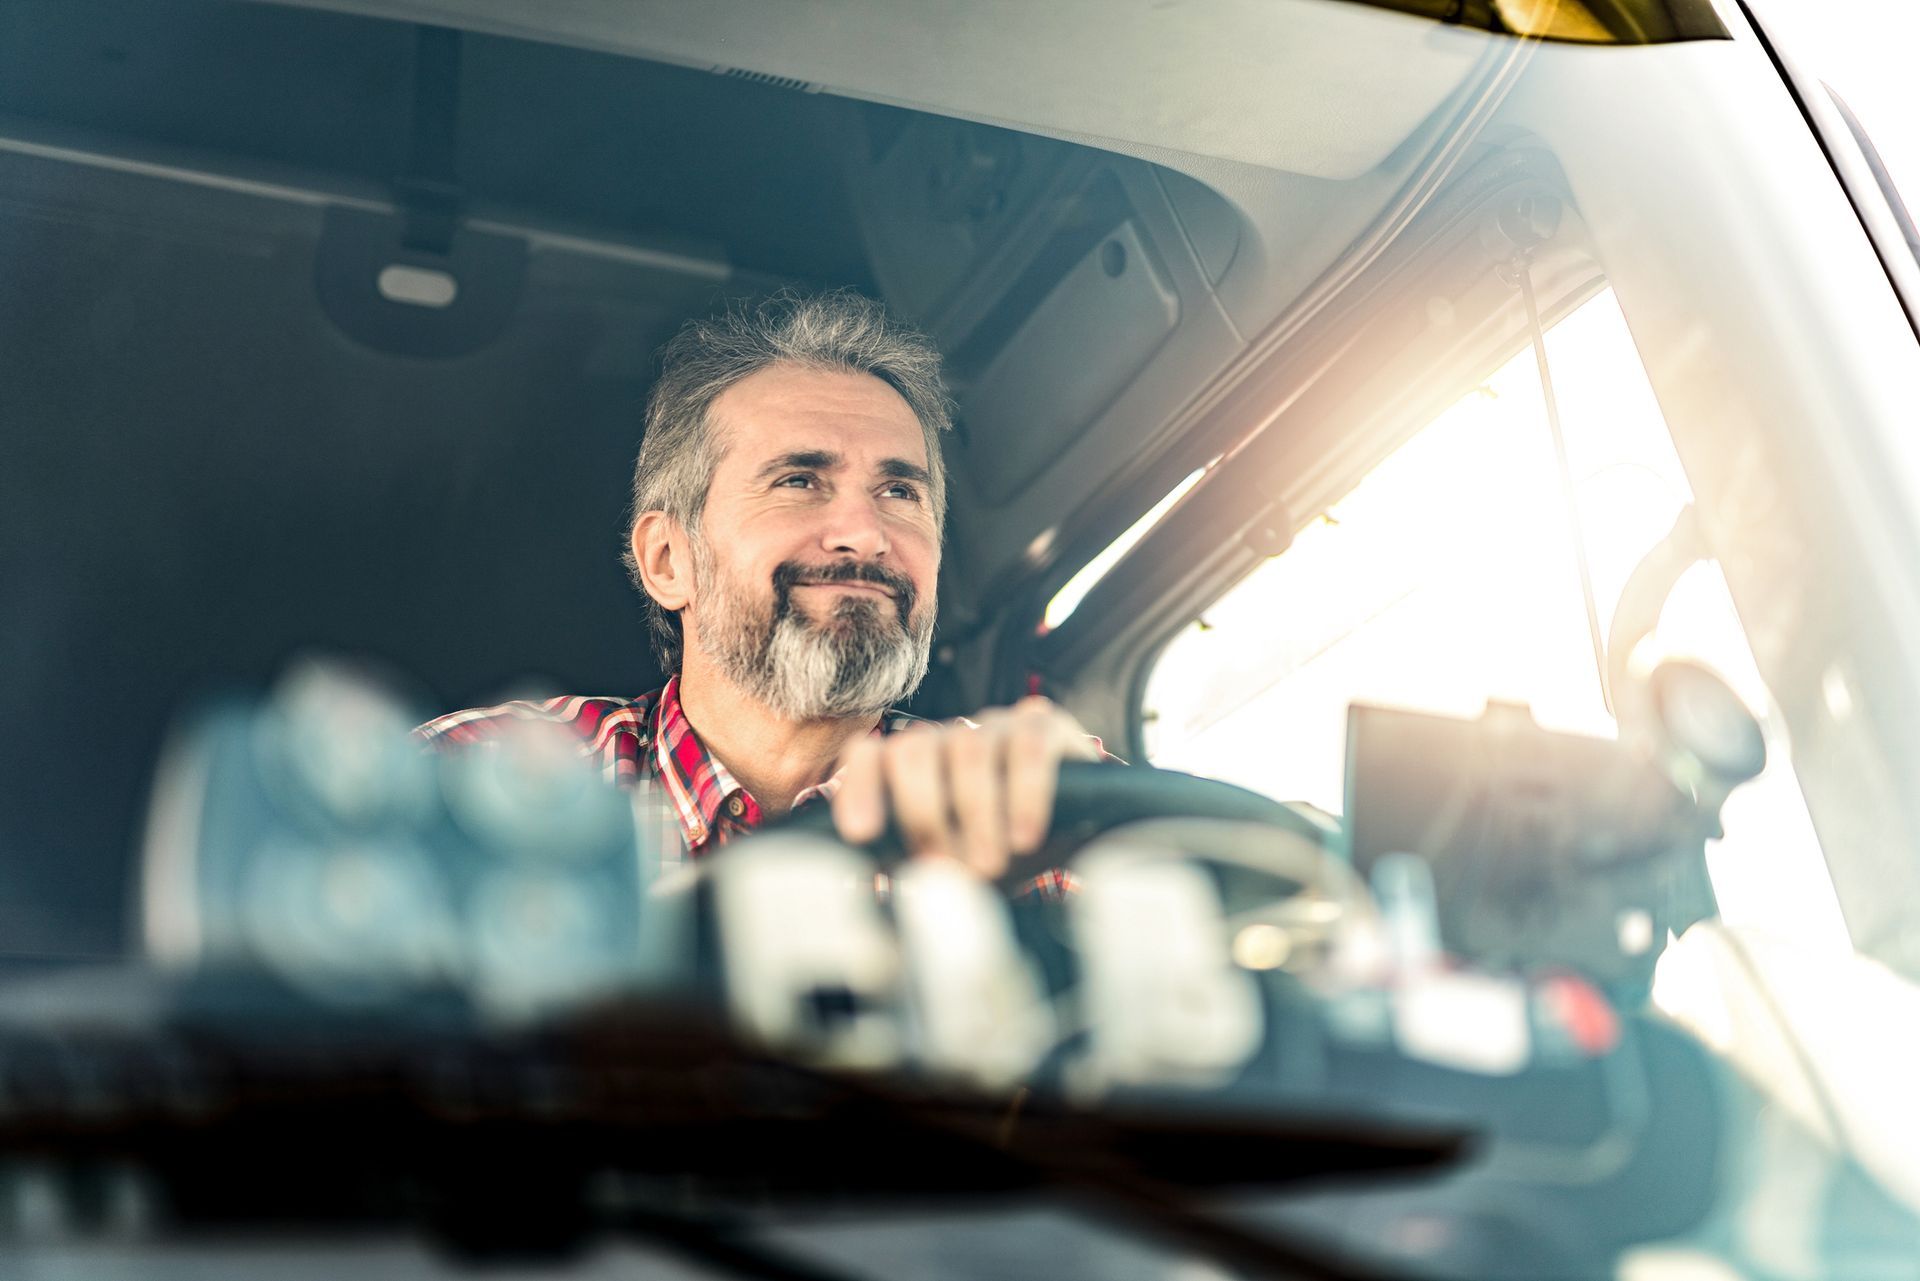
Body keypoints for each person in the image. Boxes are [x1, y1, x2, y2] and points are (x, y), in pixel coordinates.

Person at [417, 290, 1105, 879]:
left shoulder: (1022, 803)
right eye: (799, 481)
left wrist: (1089, 827)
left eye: (899, 490)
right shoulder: (478, 785)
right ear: (667, 560)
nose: (865, 534)